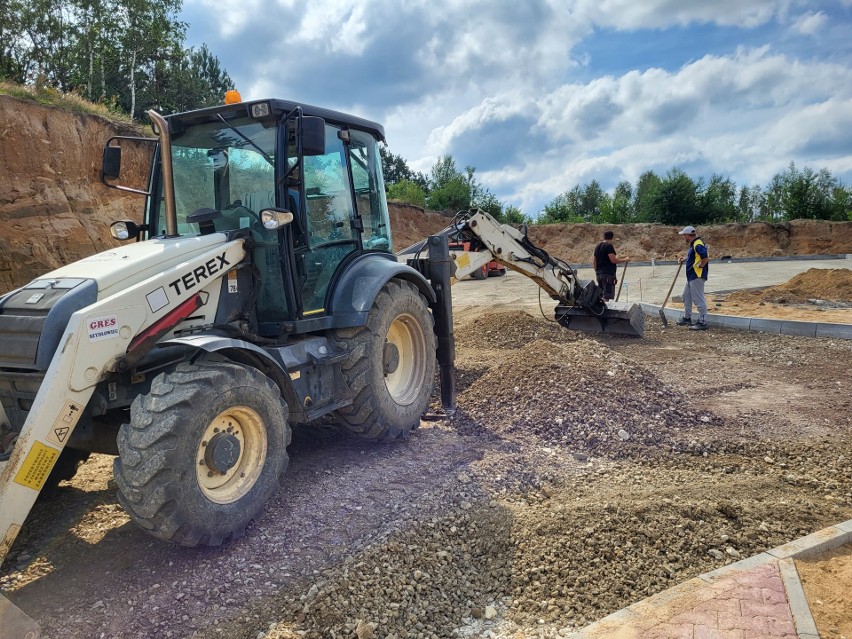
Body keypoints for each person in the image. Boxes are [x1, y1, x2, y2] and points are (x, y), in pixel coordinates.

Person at [676, 225, 710, 330]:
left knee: (698, 299)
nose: (684, 238)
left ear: (688, 235)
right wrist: (684, 259)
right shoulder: (694, 244)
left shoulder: (698, 244)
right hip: (691, 276)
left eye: (684, 235)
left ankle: (703, 322)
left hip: (697, 275)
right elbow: (694, 257)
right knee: (686, 296)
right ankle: (687, 318)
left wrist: (700, 266)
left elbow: (705, 257)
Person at [593, 231, 630, 302]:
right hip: (607, 274)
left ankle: (600, 311)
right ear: (612, 237)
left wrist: (597, 272)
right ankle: (605, 312)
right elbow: (613, 260)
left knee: (601, 295)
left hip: (599, 274)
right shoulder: (609, 246)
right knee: (606, 296)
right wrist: (625, 260)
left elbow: (594, 261)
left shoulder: (597, 247)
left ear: (604, 237)